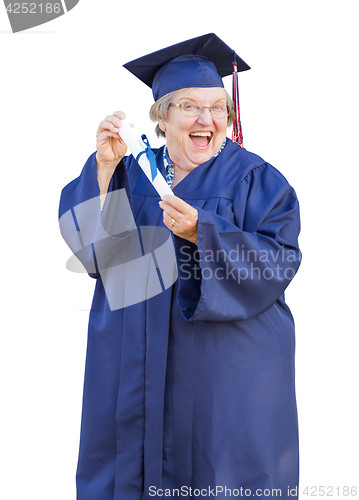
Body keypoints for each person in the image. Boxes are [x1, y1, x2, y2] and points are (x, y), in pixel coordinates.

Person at [59, 33, 301, 500]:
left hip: (224, 372)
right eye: (189, 106)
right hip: (132, 361)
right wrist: (104, 170)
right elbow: (91, 253)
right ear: (162, 117)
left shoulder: (255, 178)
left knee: (222, 472)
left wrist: (204, 233)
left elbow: (280, 261)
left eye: (217, 108)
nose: (205, 119)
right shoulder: (130, 173)